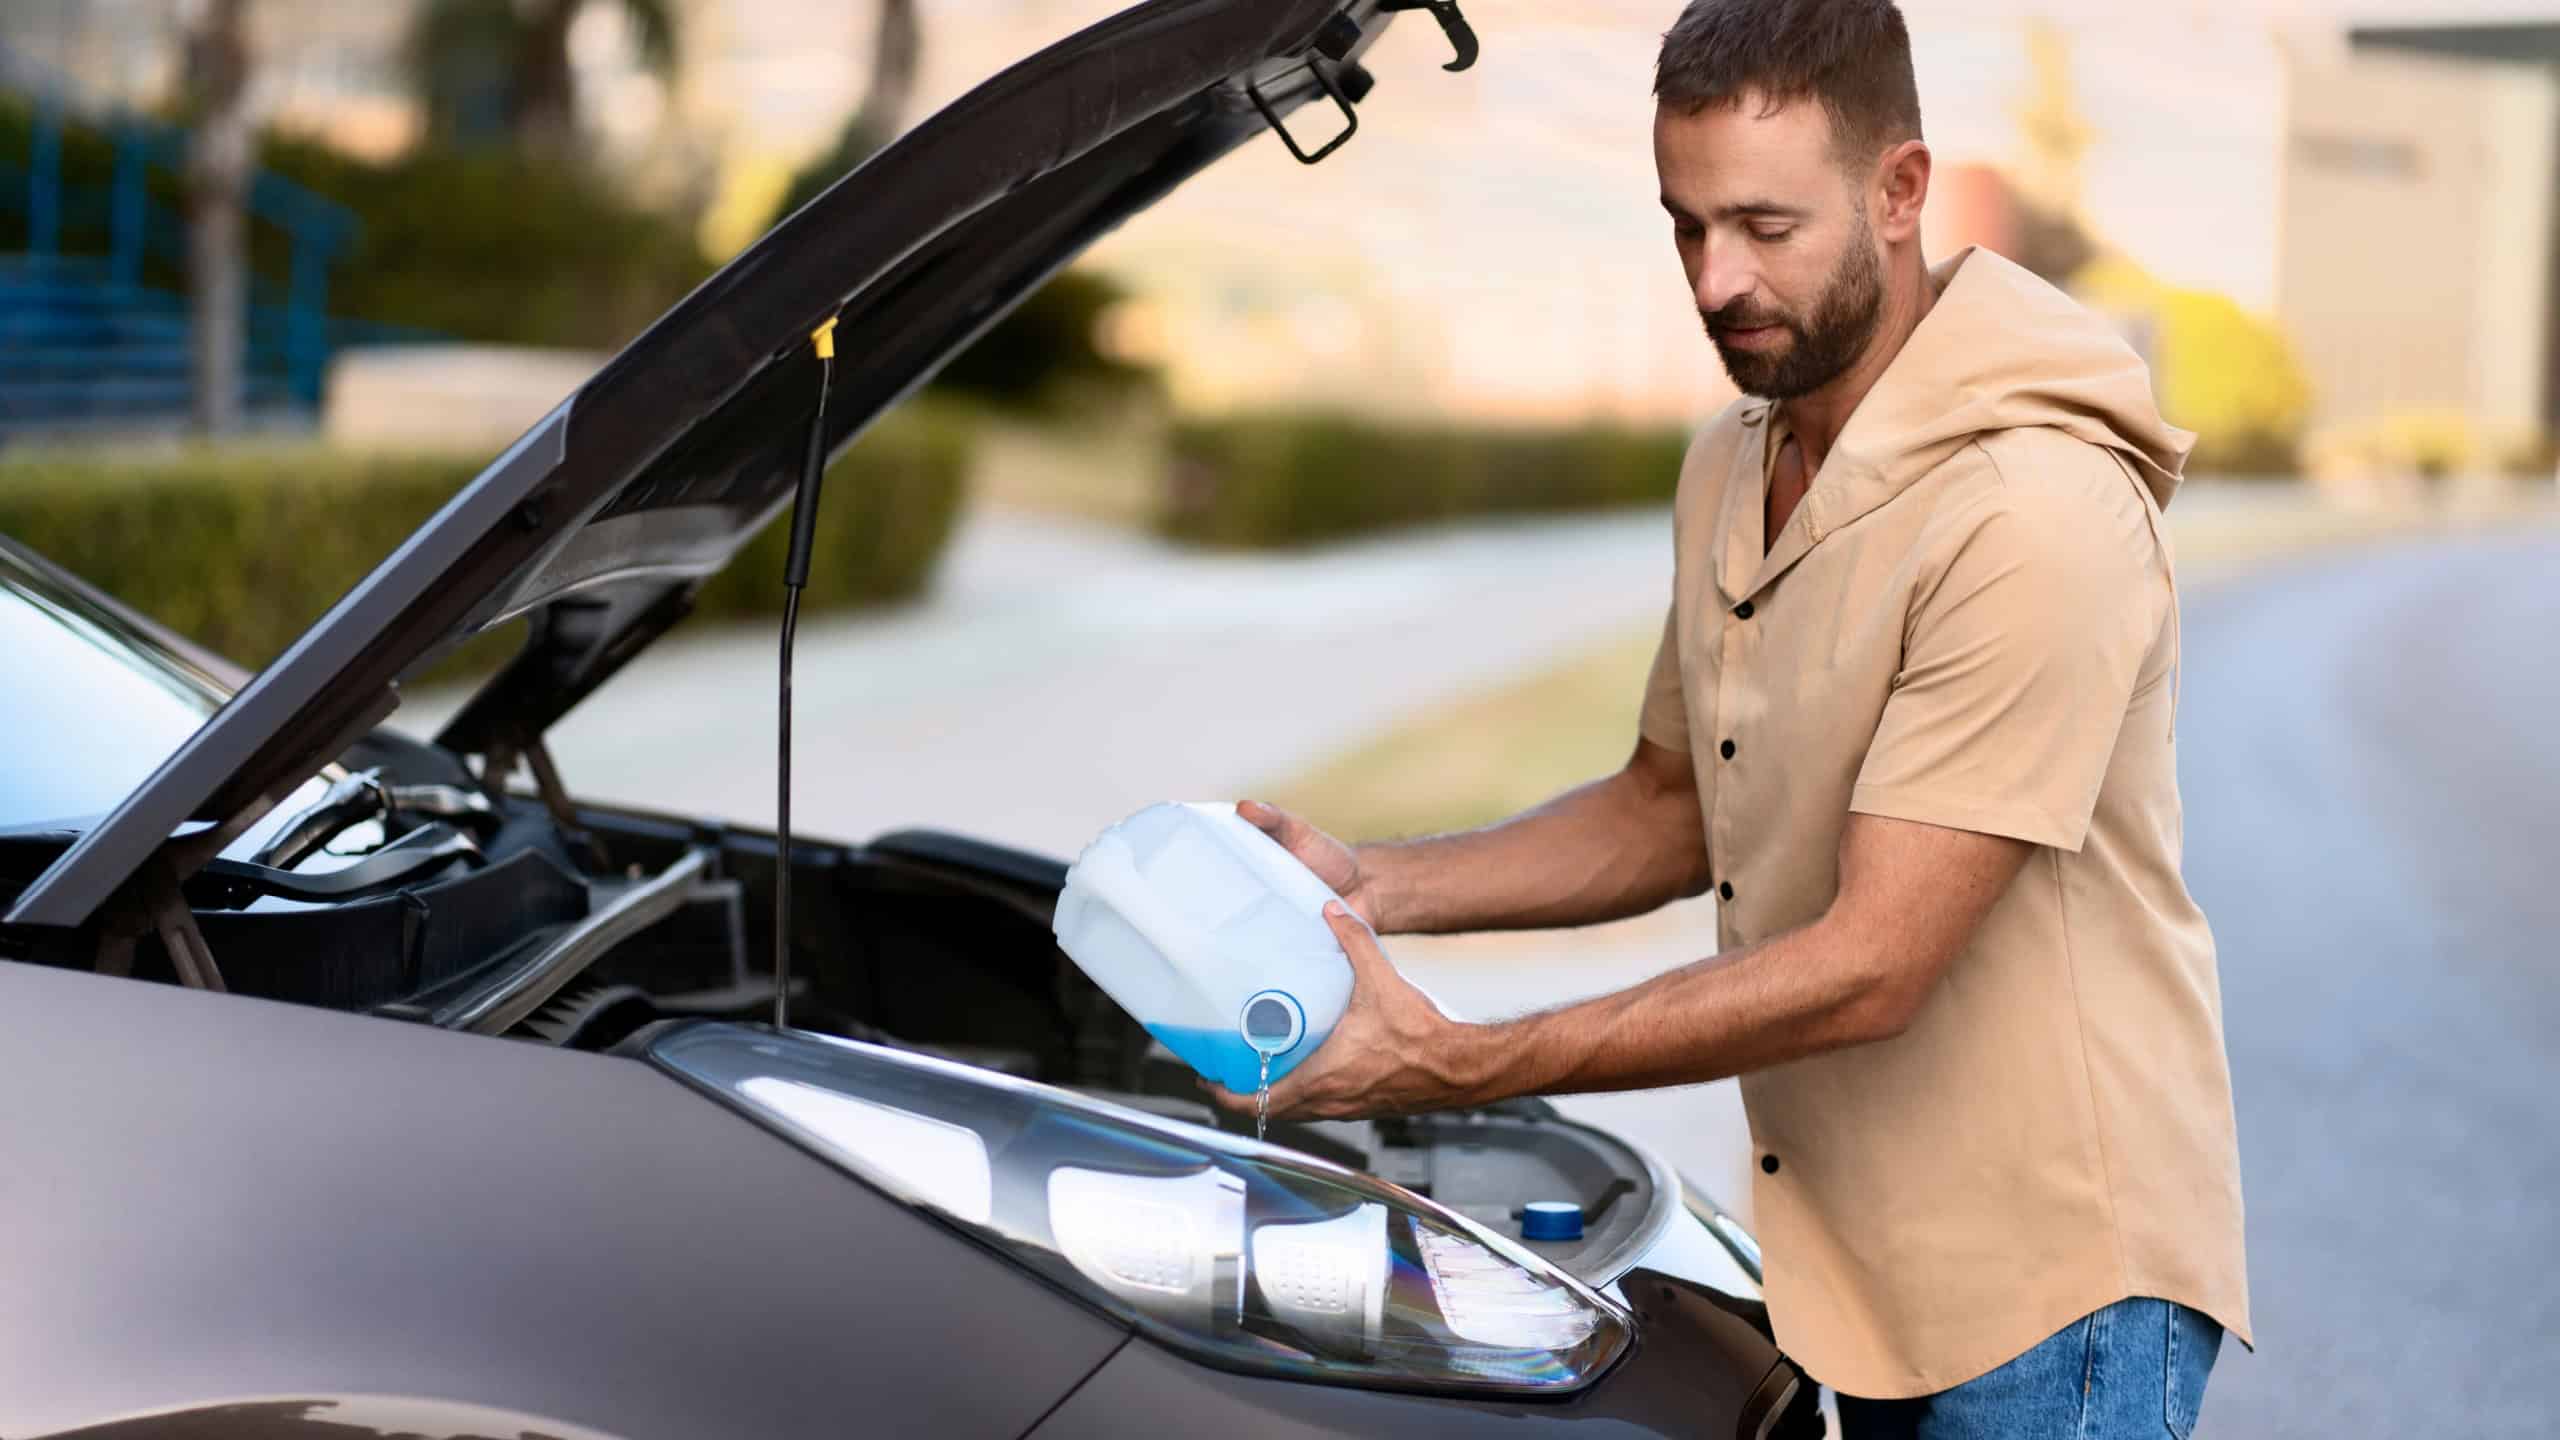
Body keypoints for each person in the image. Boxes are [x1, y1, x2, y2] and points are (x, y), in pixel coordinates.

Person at [1214, 1, 2251, 1434]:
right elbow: (1667, 804)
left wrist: (1460, 1060)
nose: (1716, 280)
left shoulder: (2034, 511)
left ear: (1900, 191)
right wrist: (1374, 887)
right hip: (1851, 1255)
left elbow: (1871, 965)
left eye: (1765, 226)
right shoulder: (1736, 458)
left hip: (2050, 1289)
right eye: (1685, 225)